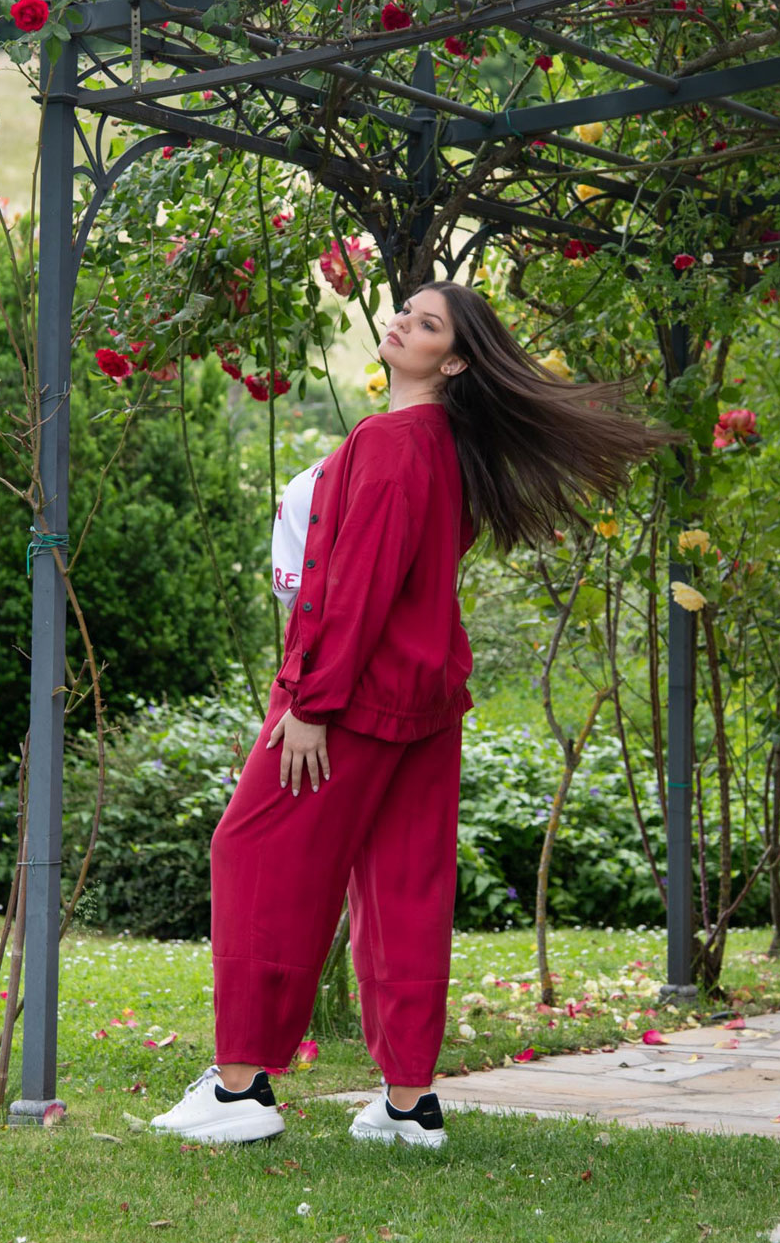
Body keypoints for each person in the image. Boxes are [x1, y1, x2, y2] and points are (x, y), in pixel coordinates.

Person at [151, 277, 673, 1147]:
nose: (402, 324)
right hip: (423, 700)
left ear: (455, 361)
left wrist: (311, 702)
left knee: (252, 849)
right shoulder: (445, 450)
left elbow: (355, 585)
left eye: (426, 324)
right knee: (401, 886)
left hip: (349, 699)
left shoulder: (391, 443)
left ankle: (240, 1089)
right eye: (407, 312)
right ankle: (408, 1104)